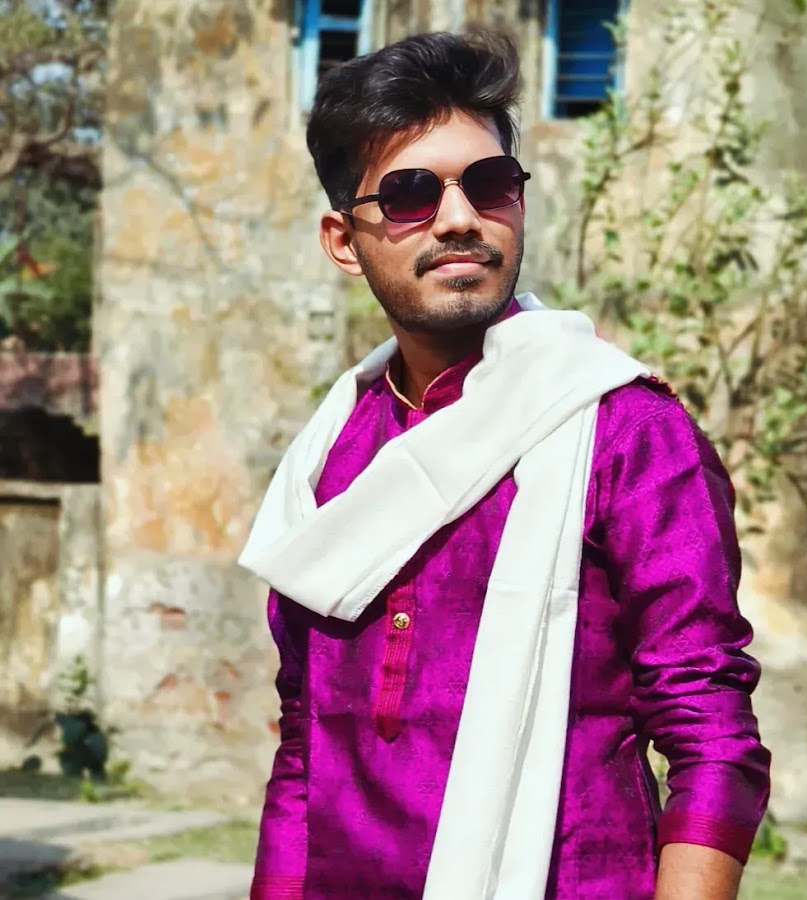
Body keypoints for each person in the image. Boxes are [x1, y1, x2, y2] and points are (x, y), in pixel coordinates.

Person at [239, 30, 771, 900]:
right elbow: (306, 747)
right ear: (342, 238)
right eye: (410, 193)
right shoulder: (327, 462)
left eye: (488, 184)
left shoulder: (623, 430)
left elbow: (712, 734)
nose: (459, 218)